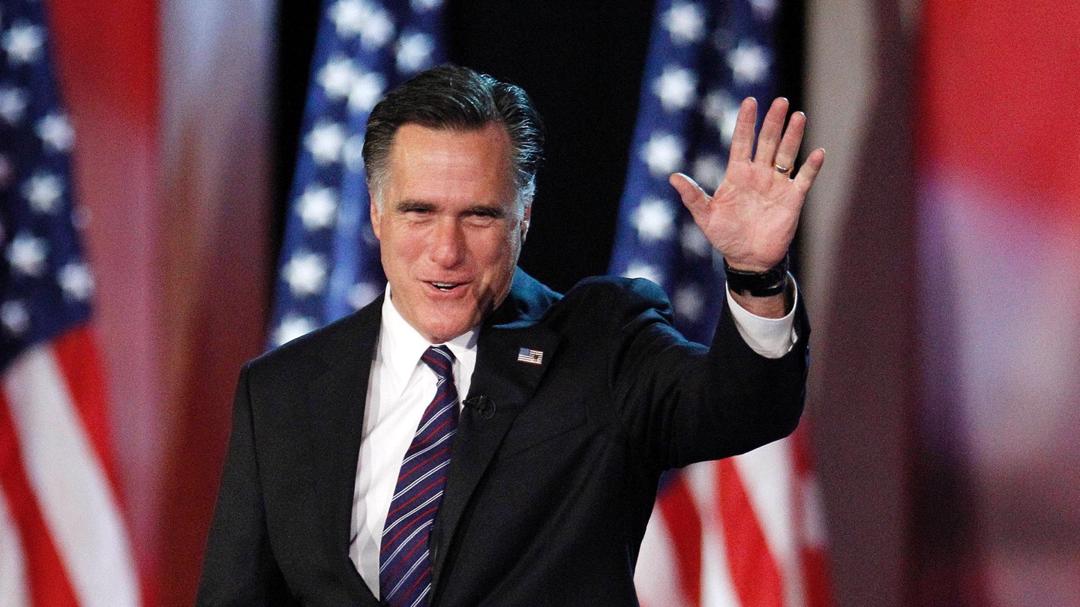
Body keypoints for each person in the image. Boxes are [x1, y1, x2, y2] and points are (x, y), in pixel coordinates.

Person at [198, 64, 824, 606]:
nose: (446, 251)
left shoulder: (601, 345)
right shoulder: (281, 391)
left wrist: (755, 275)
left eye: (478, 215)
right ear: (376, 211)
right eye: (420, 212)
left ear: (523, 215)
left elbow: (743, 406)